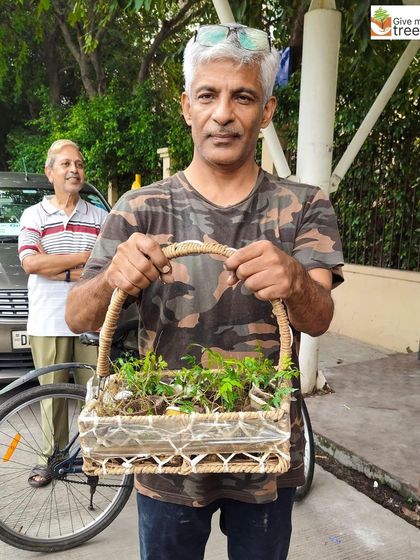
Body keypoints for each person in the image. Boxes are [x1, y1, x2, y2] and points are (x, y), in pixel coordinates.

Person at [66, 24, 344, 560]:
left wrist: (294, 281)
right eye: (207, 95)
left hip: (263, 455)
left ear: (266, 112)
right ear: (186, 107)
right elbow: (80, 315)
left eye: (242, 97)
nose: (223, 113)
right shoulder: (139, 208)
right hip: (165, 458)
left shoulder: (305, 205)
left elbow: (320, 317)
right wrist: (112, 277)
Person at [18, 139, 108, 487]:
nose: (74, 170)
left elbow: (106, 267)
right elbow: (31, 262)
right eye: (66, 164)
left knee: (94, 391)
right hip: (48, 318)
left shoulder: (100, 216)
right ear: (50, 172)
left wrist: (56, 268)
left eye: (79, 164)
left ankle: (93, 456)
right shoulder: (34, 215)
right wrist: (82, 260)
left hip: (89, 316)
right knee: (52, 394)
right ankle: (50, 460)